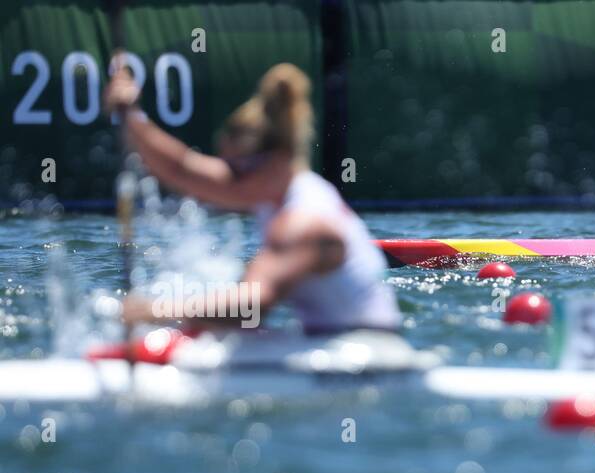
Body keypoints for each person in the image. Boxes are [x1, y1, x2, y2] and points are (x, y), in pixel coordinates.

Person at [103, 61, 399, 334]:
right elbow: (182, 170)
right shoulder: (275, 187)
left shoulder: (305, 221)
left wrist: (152, 310)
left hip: (368, 356)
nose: (226, 179)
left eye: (235, 169)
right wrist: (130, 114)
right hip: (332, 341)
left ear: (275, 159)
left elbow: (251, 308)